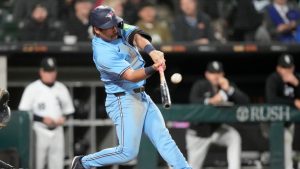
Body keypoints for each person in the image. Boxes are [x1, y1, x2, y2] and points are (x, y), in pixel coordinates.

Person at [70, 5, 192, 169]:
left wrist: (152, 51)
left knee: (164, 139)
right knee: (127, 152)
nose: (114, 29)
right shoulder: (102, 53)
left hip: (141, 96)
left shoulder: (116, 27)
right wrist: (153, 68)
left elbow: (136, 36)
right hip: (123, 99)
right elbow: (132, 76)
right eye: (108, 27)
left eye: (114, 24)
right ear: (97, 30)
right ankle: (83, 163)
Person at [187, 61, 250, 169]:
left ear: (222, 74)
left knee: (234, 137)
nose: (216, 76)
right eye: (213, 73)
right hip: (199, 132)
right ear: (207, 74)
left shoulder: (226, 86)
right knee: (193, 167)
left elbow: (245, 101)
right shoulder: (200, 85)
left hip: (216, 129)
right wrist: (210, 101)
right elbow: (193, 102)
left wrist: (229, 90)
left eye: (218, 73)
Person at [19, 57, 75, 169]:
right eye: (48, 71)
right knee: (37, 165)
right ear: (41, 72)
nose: (51, 74)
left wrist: (63, 118)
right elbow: (23, 113)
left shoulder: (61, 88)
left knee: (57, 165)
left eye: (52, 71)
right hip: (39, 131)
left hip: (57, 131)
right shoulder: (32, 88)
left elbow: (69, 110)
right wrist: (42, 119)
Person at [265, 54, 300, 169]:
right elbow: (272, 100)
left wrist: (297, 84)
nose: (287, 71)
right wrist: (293, 102)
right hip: (272, 121)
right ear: (278, 68)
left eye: (289, 68)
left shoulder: (296, 79)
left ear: (293, 68)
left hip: (289, 121)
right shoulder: (273, 79)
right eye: (284, 68)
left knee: (287, 144)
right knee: (285, 142)